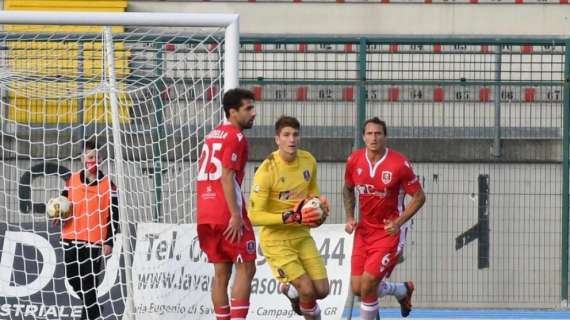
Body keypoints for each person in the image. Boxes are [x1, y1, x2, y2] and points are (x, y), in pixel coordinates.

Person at [343, 117, 426, 319]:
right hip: (364, 231)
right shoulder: (354, 160)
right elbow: (347, 188)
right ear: (363, 137)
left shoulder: (399, 164)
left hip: (389, 231)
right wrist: (349, 216)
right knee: (357, 288)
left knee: (369, 283)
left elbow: (419, 196)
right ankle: (401, 290)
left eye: (378, 133)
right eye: (369, 133)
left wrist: (398, 222)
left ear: (385, 137)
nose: (374, 138)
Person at [248, 115, 330, 320]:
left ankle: (291, 293)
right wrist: (289, 217)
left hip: (301, 236)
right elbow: (254, 216)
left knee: (322, 290)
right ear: (277, 139)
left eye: (295, 134)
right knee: (308, 291)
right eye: (286, 135)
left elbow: (312, 193)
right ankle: (301, 298)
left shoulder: (308, 160)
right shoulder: (267, 170)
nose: (291, 139)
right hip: (276, 242)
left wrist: (320, 209)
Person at [196, 88, 257, 320]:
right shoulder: (236, 137)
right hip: (226, 213)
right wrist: (235, 214)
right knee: (246, 268)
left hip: (205, 213)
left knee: (221, 273)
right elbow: (226, 175)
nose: (254, 113)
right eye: (248, 109)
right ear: (233, 112)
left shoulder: (212, 135)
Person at [53, 139, 119, 320]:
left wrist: (110, 241)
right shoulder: (72, 180)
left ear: (101, 159)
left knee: (89, 283)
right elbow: (63, 205)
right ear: (83, 158)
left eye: (97, 157)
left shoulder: (108, 185)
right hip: (70, 237)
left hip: (94, 241)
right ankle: (94, 309)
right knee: (73, 279)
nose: (93, 160)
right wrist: (58, 216)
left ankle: (89, 315)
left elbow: (115, 214)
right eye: (90, 156)